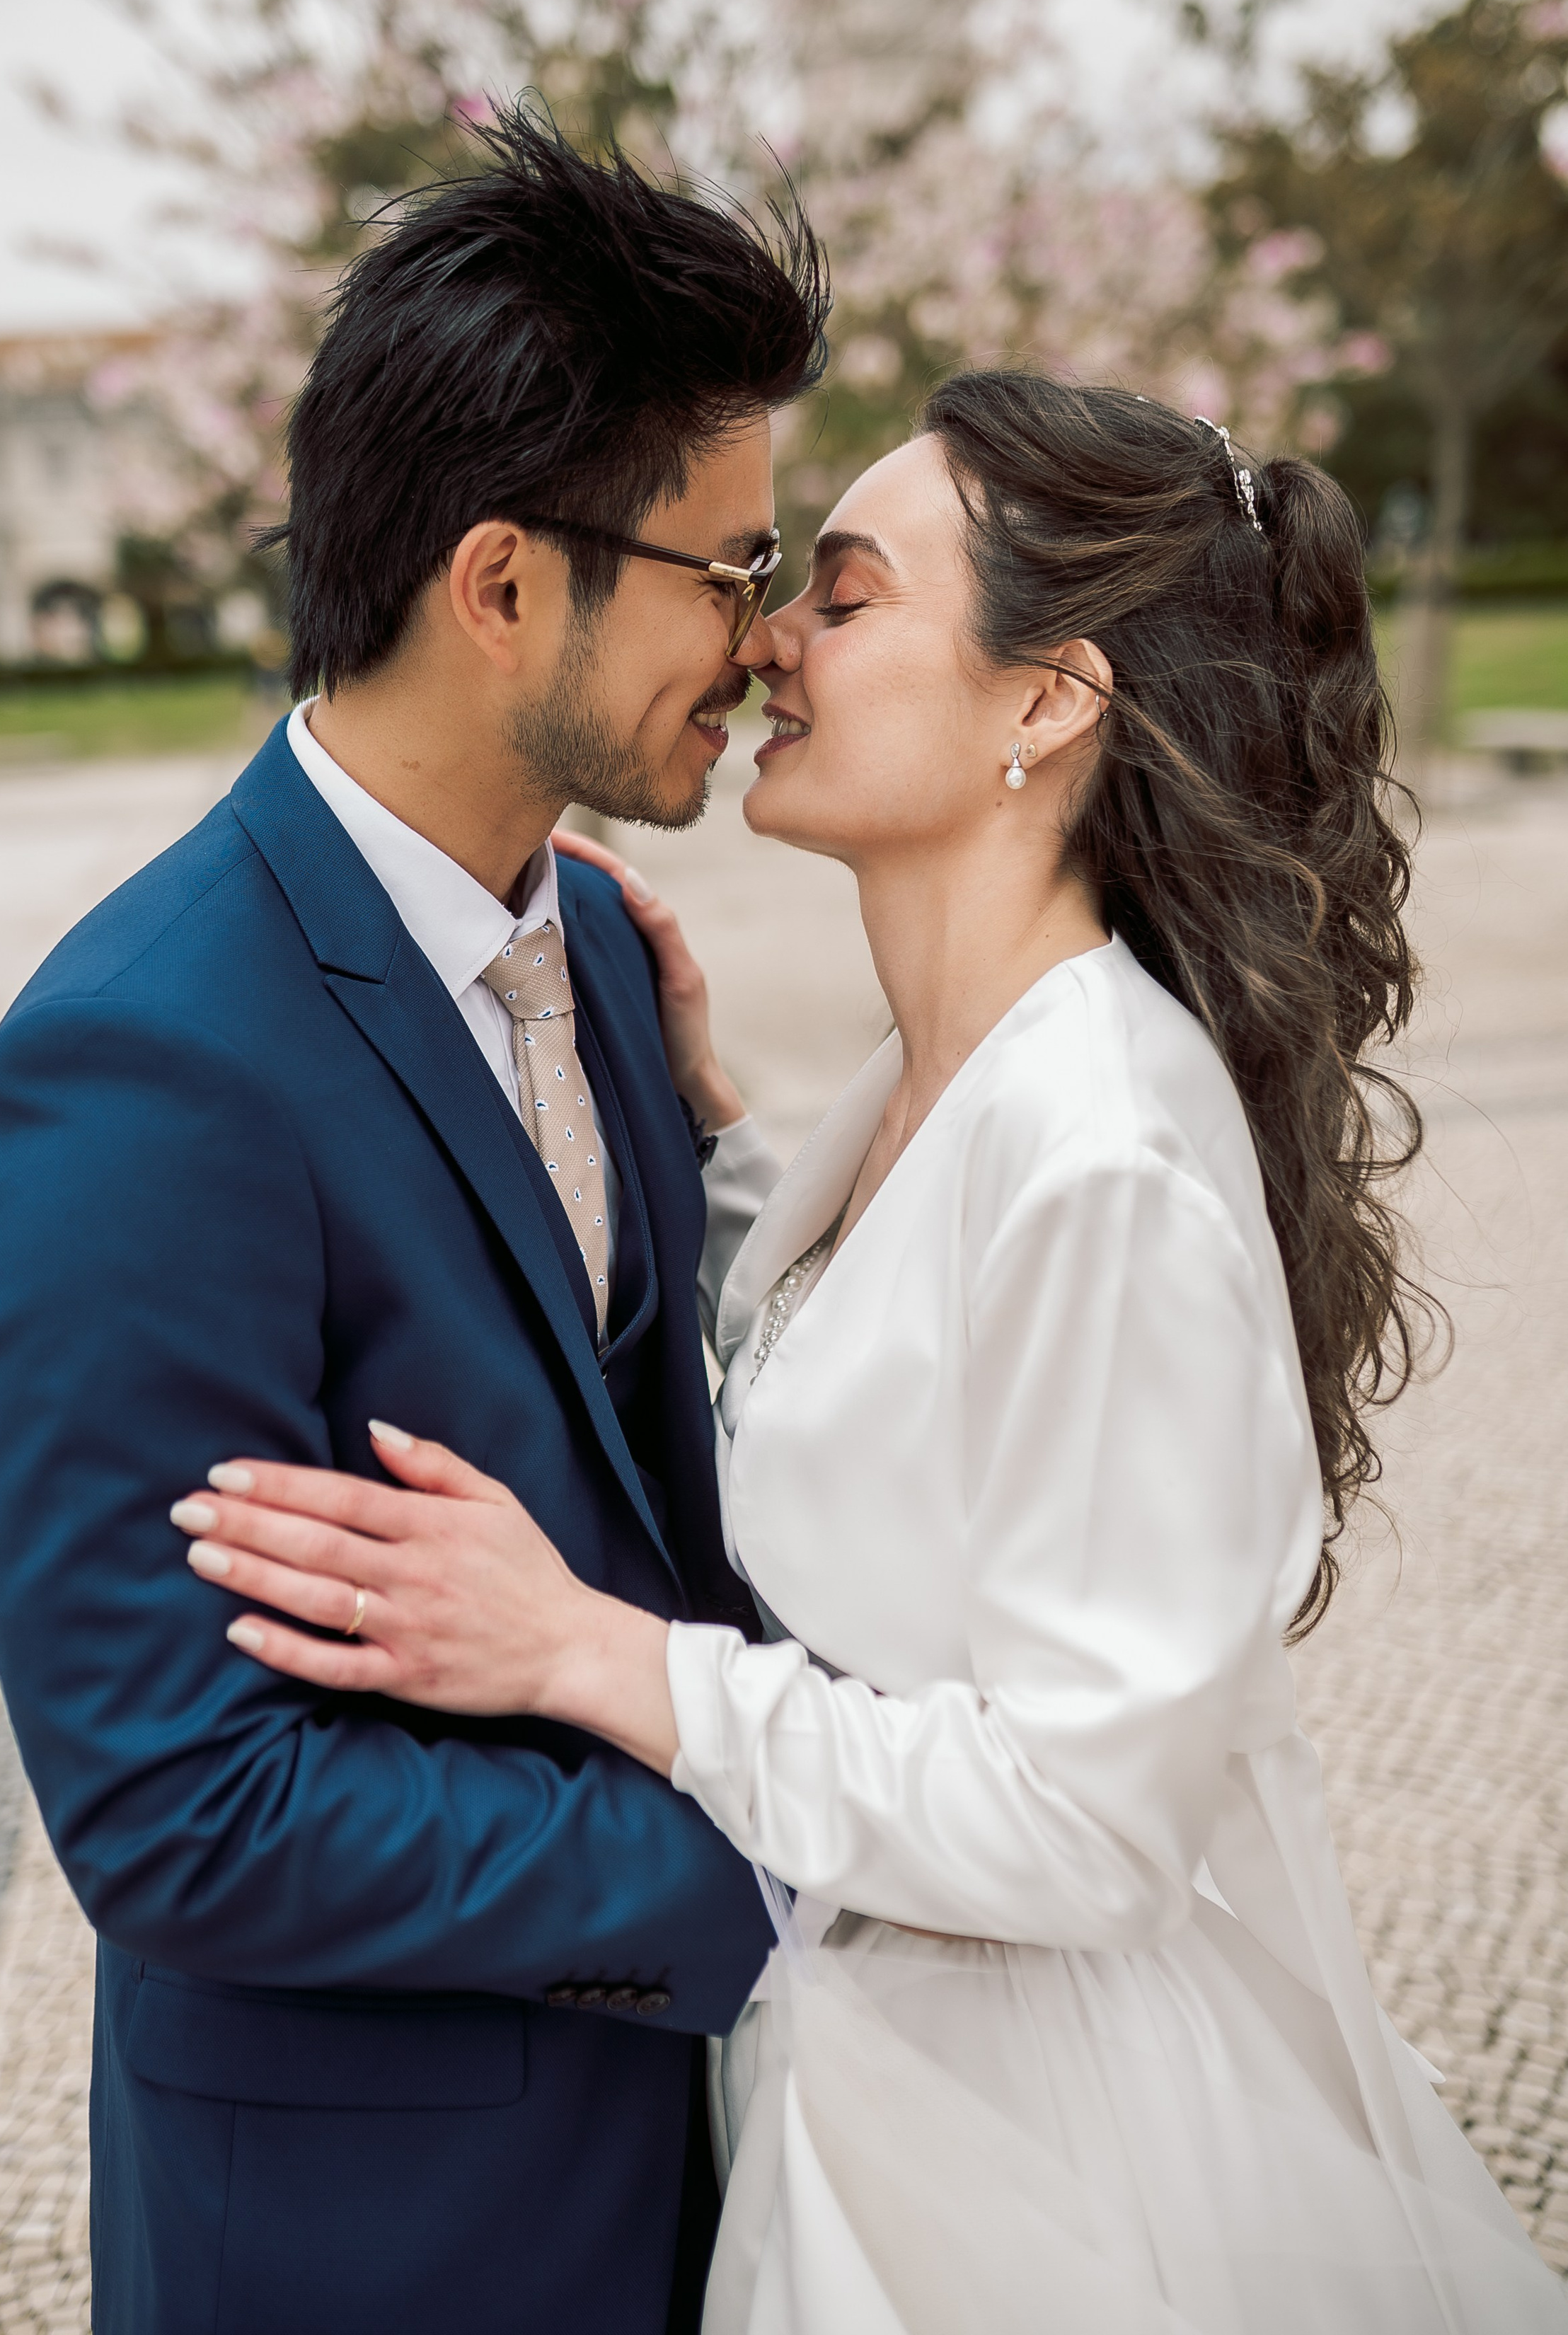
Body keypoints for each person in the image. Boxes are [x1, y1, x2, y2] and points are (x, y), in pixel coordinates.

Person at [175, 372, 1568, 2333]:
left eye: (840, 592)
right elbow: (910, 1371)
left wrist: (600, 1660)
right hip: (875, 2079)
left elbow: (1091, 1823)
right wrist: (711, 1143)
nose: (766, 644)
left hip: (1051, 2159)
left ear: (1043, 700)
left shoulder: (1102, 1151)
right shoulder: (943, 1086)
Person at [0, 108, 830, 2335]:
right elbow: (180, 1807)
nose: (768, 626)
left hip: (699, 2182)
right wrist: (797, 1860)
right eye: (730, 559)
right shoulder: (136, 1074)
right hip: (377, 2241)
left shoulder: (602, 946)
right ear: (505, 580)